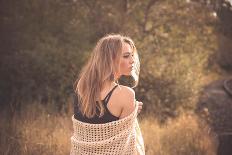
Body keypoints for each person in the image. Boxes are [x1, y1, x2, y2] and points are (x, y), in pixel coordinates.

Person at [70, 34, 145, 155]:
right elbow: (123, 145)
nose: (132, 60)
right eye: (126, 56)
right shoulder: (126, 94)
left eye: (132, 55)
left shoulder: (82, 85)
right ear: (110, 59)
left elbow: (93, 130)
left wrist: (131, 112)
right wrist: (132, 114)